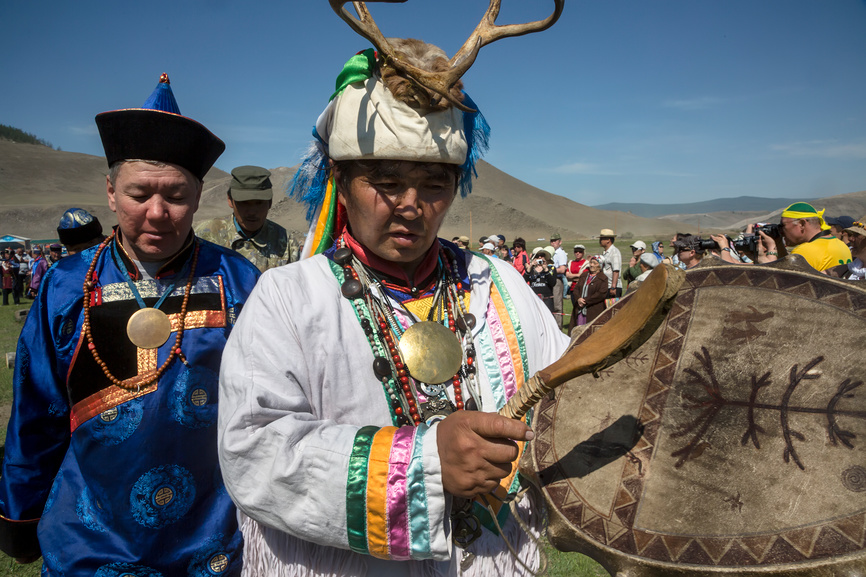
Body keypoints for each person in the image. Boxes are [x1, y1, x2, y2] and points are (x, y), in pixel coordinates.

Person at [218, 42, 568, 576]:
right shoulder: (289, 297)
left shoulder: (499, 285)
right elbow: (254, 448)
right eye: (386, 182)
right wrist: (425, 464)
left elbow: (568, 397)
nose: (411, 203)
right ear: (340, 180)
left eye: (435, 184)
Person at [0, 73, 260, 575]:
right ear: (111, 192)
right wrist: (20, 509)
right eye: (140, 194)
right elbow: (37, 411)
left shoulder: (238, 280)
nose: (158, 213)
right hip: (90, 537)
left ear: (201, 194)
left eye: (177, 196)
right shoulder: (66, 285)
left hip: (214, 539)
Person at [195, 165, 297, 272]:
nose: (252, 212)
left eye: (259, 203)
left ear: (270, 202)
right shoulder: (204, 236)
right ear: (230, 200)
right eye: (244, 203)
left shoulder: (287, 243)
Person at [758, 202, 852, 271]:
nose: (781, 231)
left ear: (802, 224)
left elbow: (781, 282)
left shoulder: (804, 252)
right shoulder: (840, 244)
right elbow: (787, 263)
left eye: (783, 225)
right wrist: (778, 243)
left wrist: (763, 259)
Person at [567, 254, 608, 333]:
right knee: (578, 330)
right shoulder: (584, 275)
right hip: (580, 308)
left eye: (595, 263)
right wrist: (578, 299)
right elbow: (576, 288)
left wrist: (586, 301)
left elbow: (601, 294)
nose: (591, 265)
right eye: (591, 263)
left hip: (593, 309)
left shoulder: (603, 278)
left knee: (591, 332)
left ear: (600, 265)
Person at [523, 249, 557, 313]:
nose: (540, 257)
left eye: (542, 255)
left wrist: (545, 269)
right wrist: (530, 267)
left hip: (547, 299)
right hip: (534, 299)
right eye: (537, 256)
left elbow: (553, 283)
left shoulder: (551, 269)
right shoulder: (531, 270)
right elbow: (524, 280)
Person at [549, 232, 568, 327]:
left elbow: (562, 269)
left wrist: (550, 270)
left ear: (560, 242)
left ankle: (558, 327)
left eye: (555, 241)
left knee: (557, 305)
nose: (553, 243)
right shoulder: (551, 253)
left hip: (557, 280)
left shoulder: (560, 253)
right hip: (551, 279)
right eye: (551, 241)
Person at [598, 228, 623, 297]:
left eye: (602, 239)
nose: (600, 241)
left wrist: (613, 287)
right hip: (606, 286)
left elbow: (616, 270)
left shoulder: (614, 252)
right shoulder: (605, 253)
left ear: (608, 240)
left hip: (612, 288)